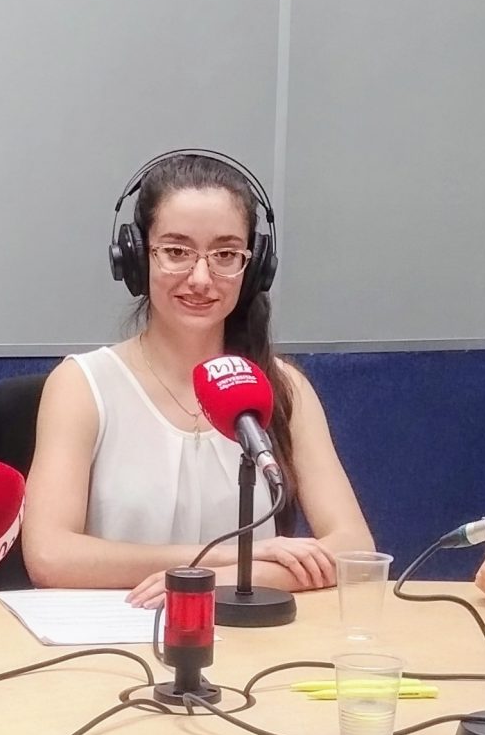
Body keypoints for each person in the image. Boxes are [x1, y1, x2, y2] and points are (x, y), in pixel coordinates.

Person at [23, 150, 373, 604]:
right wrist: (225, 559)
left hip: (247, 635)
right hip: (116, 636)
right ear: (136, 257)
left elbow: (355, 549)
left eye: (226, 254)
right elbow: (50, 555)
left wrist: (227, 579)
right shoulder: (81, 386)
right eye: (176, 252)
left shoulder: (283, 388)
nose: (202, 278)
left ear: (254, 267)